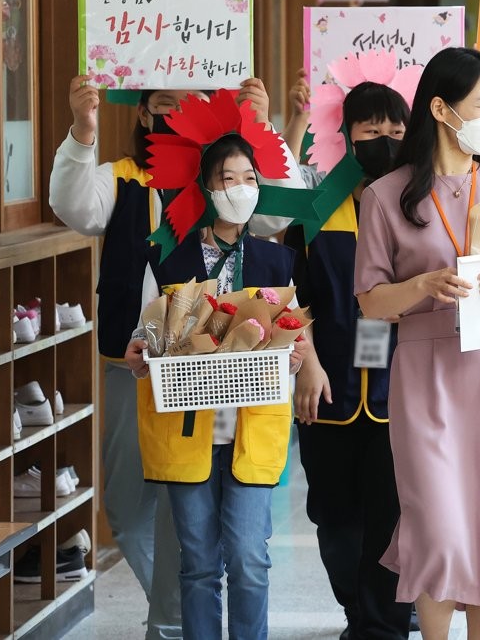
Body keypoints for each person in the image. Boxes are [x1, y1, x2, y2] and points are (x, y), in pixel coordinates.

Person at [48, 76, 302, 639]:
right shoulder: (125, 180)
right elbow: (75, 207)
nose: (178, 117)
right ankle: (176, 621)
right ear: (142, 115)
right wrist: (83, 133)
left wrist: (261, 127)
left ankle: (169, 627)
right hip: (141, 376)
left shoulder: (238, 206)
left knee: (231, 548)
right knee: (142, 515)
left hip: (245, 408)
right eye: (165, 106)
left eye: (191, 108)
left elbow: (277, 216)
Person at [353, 46, 480, 640]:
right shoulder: (385, 196)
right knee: (436, 523)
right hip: (425, 371)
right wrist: (420, 285)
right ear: (441, 108)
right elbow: (369, 300)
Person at [124, 101, 305, 640]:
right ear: (205, 188)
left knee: (250, 557)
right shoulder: (168, 258)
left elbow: (293, 334)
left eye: (250, 177)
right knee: (199, 562)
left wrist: (294, 356)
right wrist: (140, 356)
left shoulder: (277, 263)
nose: (242, 187)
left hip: (253, 423)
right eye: (228, 178)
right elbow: (145, 331)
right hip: (188, 423)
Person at [283, 52, 419, 640]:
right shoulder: (316, 212)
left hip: (404, 393)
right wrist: (307, 362)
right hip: (329, 388)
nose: (384, 140)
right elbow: (288, 294)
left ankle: (384, 624)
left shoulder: (423, 209)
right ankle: (356, 613)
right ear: (345, 136)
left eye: (396, 131)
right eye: (370, 130)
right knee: (334, 517)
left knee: (393, 515)